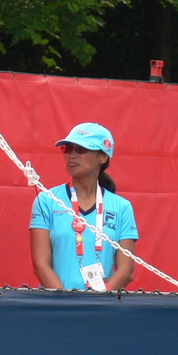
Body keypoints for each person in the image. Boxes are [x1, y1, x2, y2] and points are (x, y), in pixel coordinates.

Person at [29, 123, 137, 291]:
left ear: (103, 157)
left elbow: (126, 270)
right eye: (67, 149)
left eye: (80, 149)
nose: (72, 155)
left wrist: (95, 303)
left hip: (101, 309)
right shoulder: (46, 200)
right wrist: (65, 302)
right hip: (55, 306)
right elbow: (41, 264)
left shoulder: (121, 207)